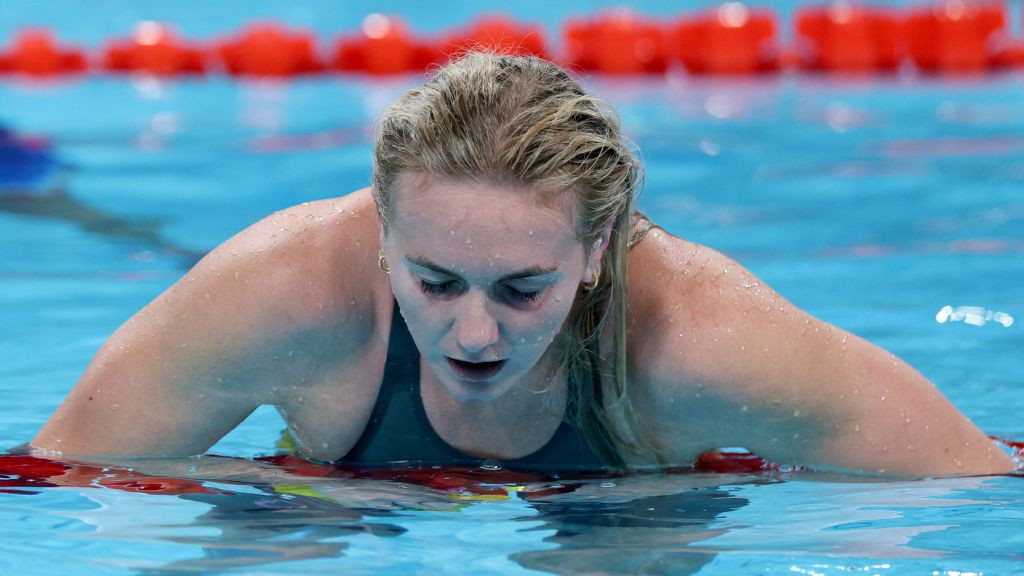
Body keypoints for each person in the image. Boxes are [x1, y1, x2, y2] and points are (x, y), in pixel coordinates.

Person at [30, 52, 1014, 476]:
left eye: (521, 288)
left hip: (632, 504)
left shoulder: (704, 342)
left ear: (596, 252)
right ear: (381, 232)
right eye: (433, 278)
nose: (471, 332)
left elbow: (964, 484)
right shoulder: (280, 292)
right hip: (319, 496)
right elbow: (65, 481)